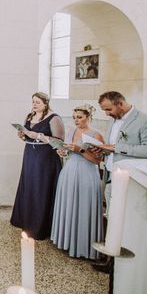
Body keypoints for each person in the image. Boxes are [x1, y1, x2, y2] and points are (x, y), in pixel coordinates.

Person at [51, 105, 104, 260]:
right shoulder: (72, 131)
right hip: (69, 170)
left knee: (83, 205)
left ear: (89, 117)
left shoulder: (97, 135)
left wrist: (79, 150)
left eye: (79, 117)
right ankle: (66, 241)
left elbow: (97, 160)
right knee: (68, 204)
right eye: (74, 117)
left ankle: (82, 245)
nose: (76, 120)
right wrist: (63, 151)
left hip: (86, 172)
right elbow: (68, 150)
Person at [10, 92, 64, 240]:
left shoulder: (54, 118)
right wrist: (22, 136)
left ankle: (39, 226)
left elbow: (59, 141)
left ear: (46, 103)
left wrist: (38, 136)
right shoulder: (29, 116)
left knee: (41, 187)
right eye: (33, 101)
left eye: (38, 102)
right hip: (30, 155)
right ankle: (26, 220)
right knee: (29, 185)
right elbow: (27, 134)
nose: (34, 104)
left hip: (45, 157)